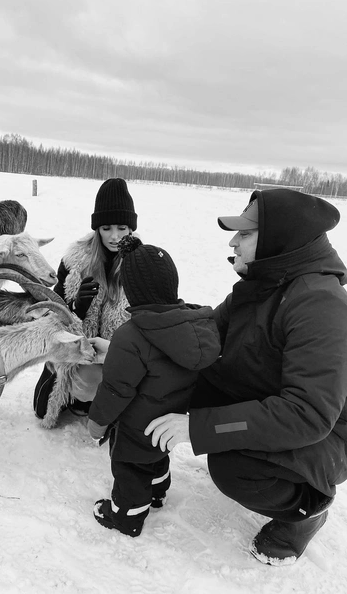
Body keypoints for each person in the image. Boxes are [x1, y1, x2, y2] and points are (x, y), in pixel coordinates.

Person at [144, 189, 347, 565]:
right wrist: (134, 346)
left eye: (246, 233)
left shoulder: (319, 302)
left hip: (327, 433)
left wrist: (199, 427)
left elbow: (309, 413)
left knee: (235, 467)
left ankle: (307, 512)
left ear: (277, 240)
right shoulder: (263, 283)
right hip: (270, 394)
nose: (233, 241)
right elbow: (203, 336)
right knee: (175, 376)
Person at [87, 235, 221, 537]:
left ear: (131, 292)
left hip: (134, 428)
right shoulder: (192, 326)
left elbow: (116, 388)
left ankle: (127, 516)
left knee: (129, 469)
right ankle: (159, 492)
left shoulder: (131, 336)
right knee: (158, 456)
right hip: (169, 421)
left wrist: (97, 422)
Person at [33, 177, 138, 423]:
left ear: (131, 228)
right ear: (97, 228)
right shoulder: (73, 262)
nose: (114, 236)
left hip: (118, 356)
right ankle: (80, 394)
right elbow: (51, 317)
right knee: (42, 410)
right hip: (75, 351)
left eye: (122, 228)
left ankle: (103, 399)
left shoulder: (142, 263)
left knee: (98, 388)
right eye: (106, 228)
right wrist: (74, 307)